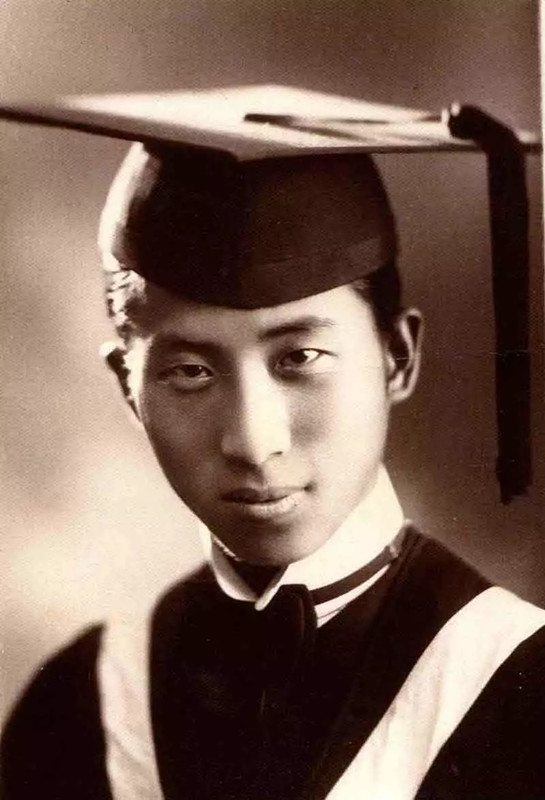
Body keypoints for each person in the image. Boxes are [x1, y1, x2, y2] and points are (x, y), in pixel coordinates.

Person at [1, 86, 544, 800]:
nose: (254, 442)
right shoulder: (80, 707)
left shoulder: (521, 688)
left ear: (398, 357)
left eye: (300, 358)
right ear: (128, 388)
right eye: (191, 372)